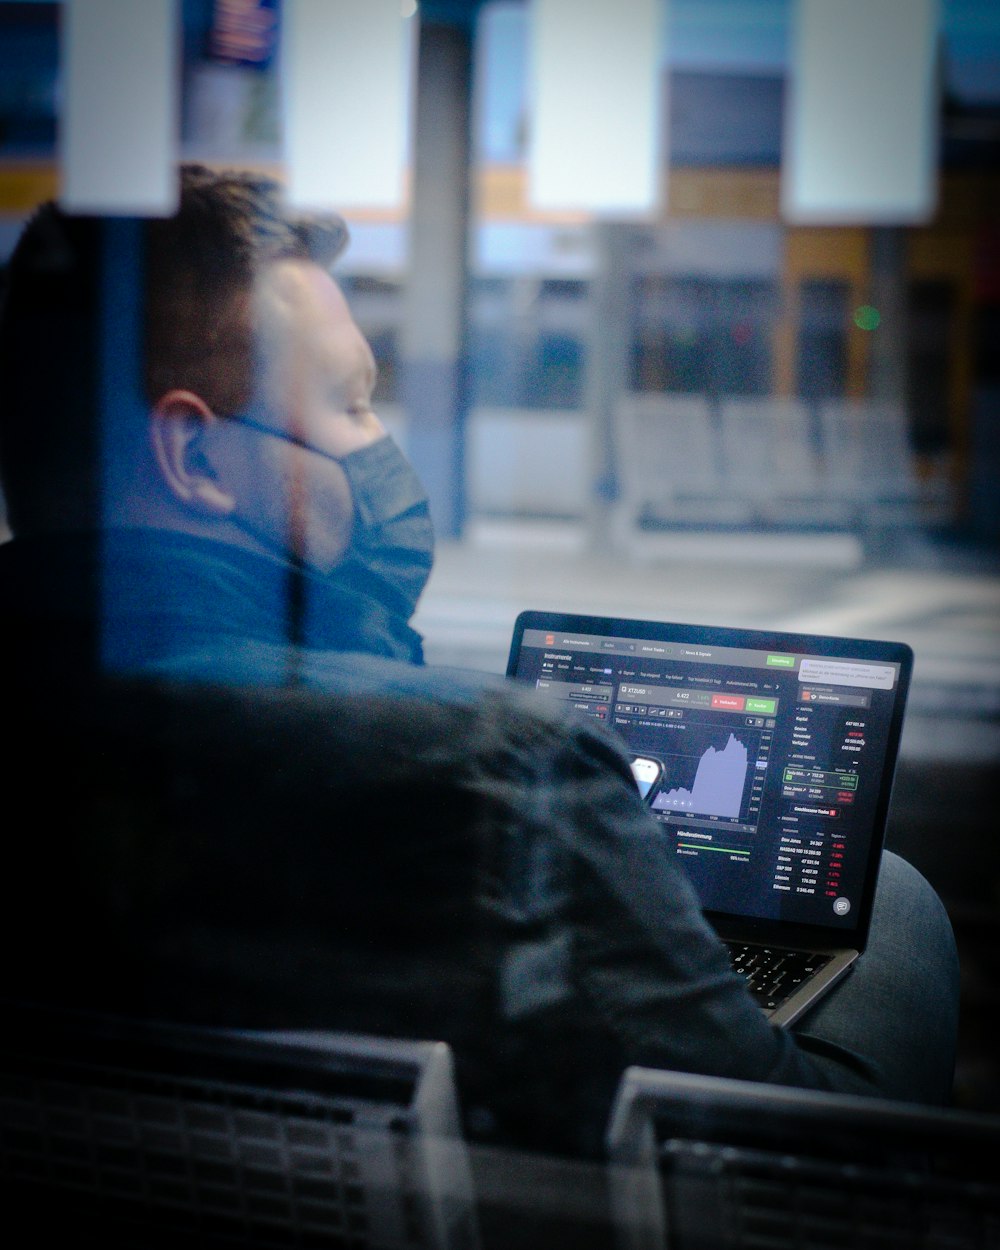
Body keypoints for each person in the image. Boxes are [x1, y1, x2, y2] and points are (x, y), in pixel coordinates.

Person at [0, 165, 960, 1159]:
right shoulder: (498, 770)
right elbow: (784, 1157)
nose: (383, 454)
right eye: (353, 406)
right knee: (884, 894)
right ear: (196, 460)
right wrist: (884, 910)